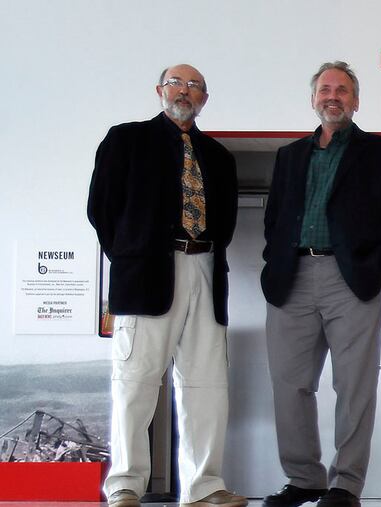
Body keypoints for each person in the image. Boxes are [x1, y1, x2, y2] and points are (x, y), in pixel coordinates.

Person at [260, 61, 381, 507]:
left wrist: (380, 270)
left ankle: (345, 483)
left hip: (352, 281)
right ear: (314, 98)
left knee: (354, 387)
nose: (334, 96)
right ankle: (304, 478)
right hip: (291, 278)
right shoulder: (289, 156)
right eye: (326, 89)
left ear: (356, 100)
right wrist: (274, 263)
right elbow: (275, 219)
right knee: (289, 384)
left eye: (343, 90)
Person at [87, 64, 246, 507]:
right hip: (143, 274)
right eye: (177, 82)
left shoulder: (218, 156)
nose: (185, 91)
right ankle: (125, 484)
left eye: (195, 86)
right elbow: (102, 209)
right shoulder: (126, 140)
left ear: (204, 99)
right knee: (135, 381)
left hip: (205, 268)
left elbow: (227, 221)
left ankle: (204, 485)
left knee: (206, 385)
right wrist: (132, 255)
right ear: (160, 90)